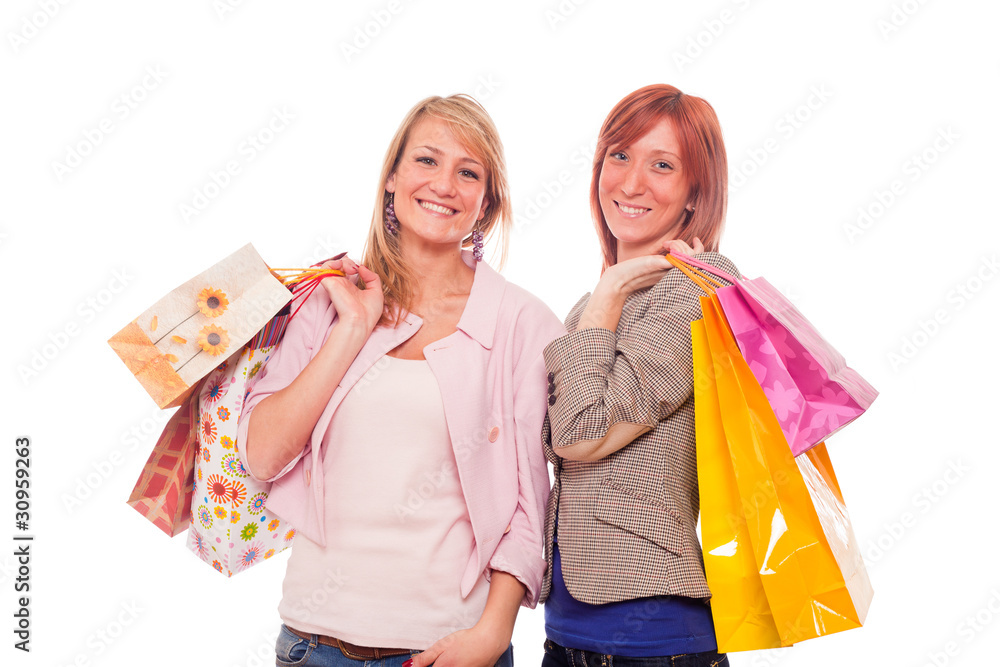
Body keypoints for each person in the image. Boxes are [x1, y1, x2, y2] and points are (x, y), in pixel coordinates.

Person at [236, 94, 565, 667]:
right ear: (392, 177)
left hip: (450, 647)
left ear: (486, 201)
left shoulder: (522, 323)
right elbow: (262, 455)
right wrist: (353, 327)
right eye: (427, 161)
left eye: (469, 172)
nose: (445, 184)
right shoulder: (329, 301)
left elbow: (527, 504)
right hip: (314, 644)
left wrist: (492, 633)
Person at [539, 84, 740, 667]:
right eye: (619, 156)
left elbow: (582, 435)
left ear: (694, 192)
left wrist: (609, 289)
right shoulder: (593, 306)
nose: (630, 183)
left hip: (656, 645)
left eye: (662, 165)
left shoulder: (702, 289)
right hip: (568, 637)